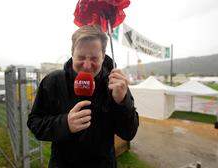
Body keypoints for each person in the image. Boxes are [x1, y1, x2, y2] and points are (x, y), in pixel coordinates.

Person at [27, 25, 139, 168]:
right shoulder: (52, 81)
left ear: (103, 56)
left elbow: (129, 133)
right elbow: (34, 123)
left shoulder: (116, 84)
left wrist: (122, 102)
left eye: (94, 58)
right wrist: (65, 123)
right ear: (72, 53)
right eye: (81, 57)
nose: (87, 65)